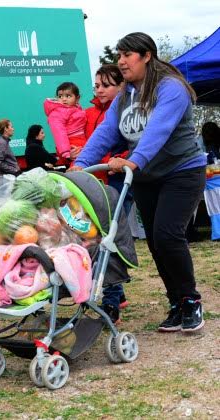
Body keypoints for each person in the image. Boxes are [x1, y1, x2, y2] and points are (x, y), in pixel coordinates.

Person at [71, 32, 207, 333]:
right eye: (118, 55)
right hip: (146, 177)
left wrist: (134, 160)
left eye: (127, 55)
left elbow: (158, 131)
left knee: (168, 234)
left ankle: (190, 300)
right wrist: (78, 167)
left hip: (181, 171)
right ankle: (176, 303)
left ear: (146, 56)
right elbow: (106, 133)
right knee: (157, 242)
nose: (120, 61)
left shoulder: (170, 88)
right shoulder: (124, 97)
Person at [84, 63, 131, 323]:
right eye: (97, 85)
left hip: (118, 183)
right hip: (94, 183)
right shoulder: (90, 113)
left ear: (121, 86)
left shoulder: (125, 113)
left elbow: (132, 145)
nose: (99, 90)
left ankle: (111, 301)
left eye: (106, 85)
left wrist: (121, 159)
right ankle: (117, 291)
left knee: (108, 241)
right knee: (97, 239)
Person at [44, 82, 87, 163]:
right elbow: (59, 133)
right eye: (60, 96)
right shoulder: (57, 113)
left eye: (68, 96)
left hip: (82, 141)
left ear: (77, 98)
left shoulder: (76, 109)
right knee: (81, 167)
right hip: (72, 144)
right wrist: (66, 152)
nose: (64, 99)